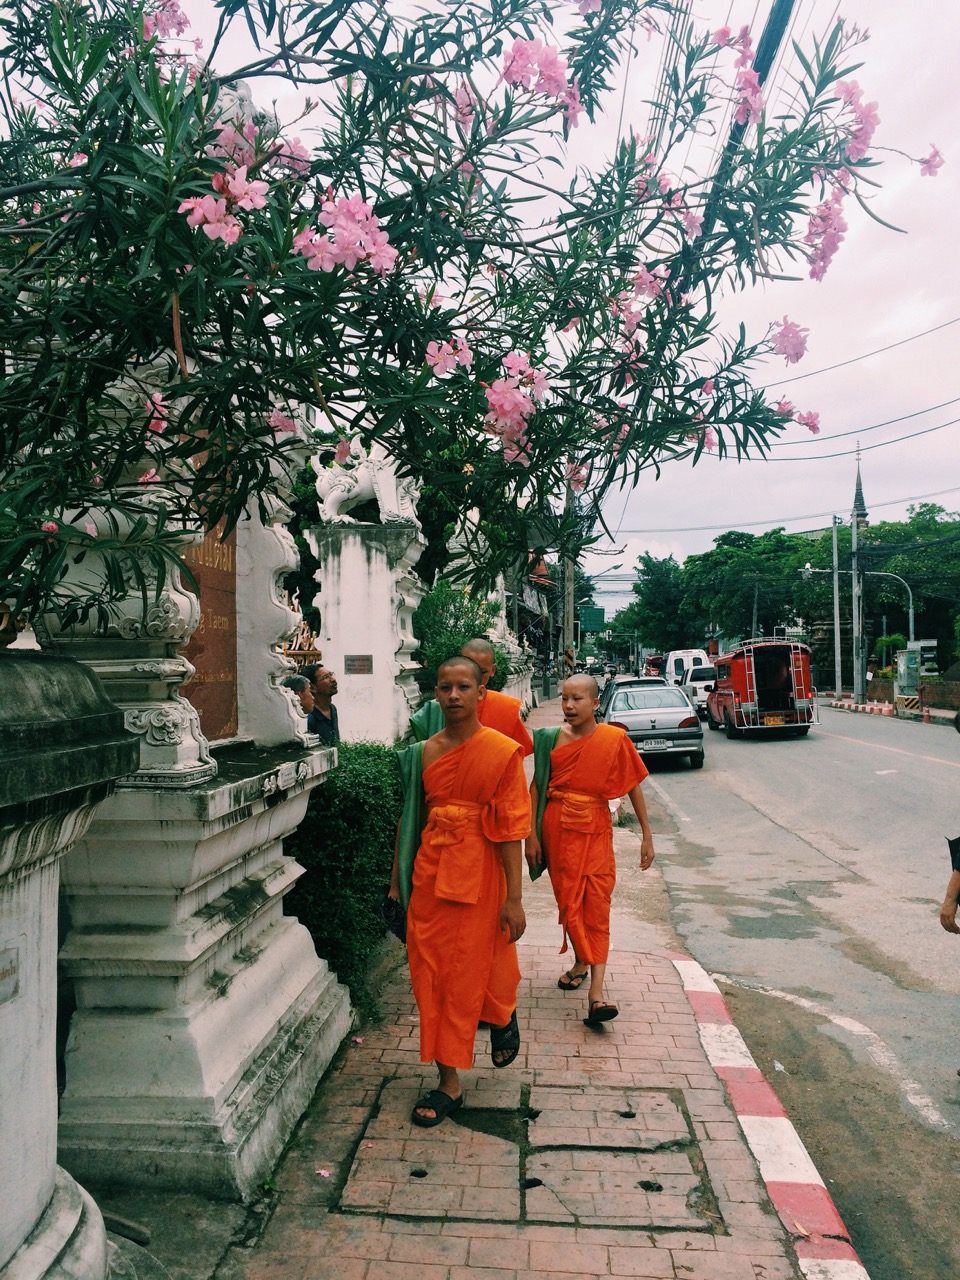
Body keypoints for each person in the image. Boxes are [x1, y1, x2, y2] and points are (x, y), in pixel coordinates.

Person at [389, 656, 529, 1128]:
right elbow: (410, 824)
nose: (453, 695)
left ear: (479, 693)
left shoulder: (501, 751)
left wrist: (514, 898)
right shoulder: (423, 752)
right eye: (445, 687)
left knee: (480, 959)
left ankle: (500, 1011)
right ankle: (448, 1080)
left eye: (463, 687)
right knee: (431, 974)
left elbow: (510, 829)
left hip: (482, 871)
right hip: (431, 873)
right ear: (435, 693)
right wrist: (396, 884)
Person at [526, 673, 655, 1026]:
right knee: (568, 902)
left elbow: (632, 786)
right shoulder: (550, 739)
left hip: (595, 830)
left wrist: (646, 833)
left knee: (596, 905)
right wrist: (530, 837)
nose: (568, 706)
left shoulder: (614, 739)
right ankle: (583, 960)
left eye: (577, 699)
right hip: (557, 829)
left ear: (596, 703)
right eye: (565, 699)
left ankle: (597, 994)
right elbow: (537, 788)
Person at [408, 638, 533, 755]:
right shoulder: (436, 709)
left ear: (492, 670)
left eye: (482, 672)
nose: (474, 676)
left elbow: (515, 757)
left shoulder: (504, 709)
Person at [302, 664, 340, 745]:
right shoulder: (308, 717)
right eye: (326, 677)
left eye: (331, 674)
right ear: (312, 688)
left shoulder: (332, 709)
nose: (333, 679)